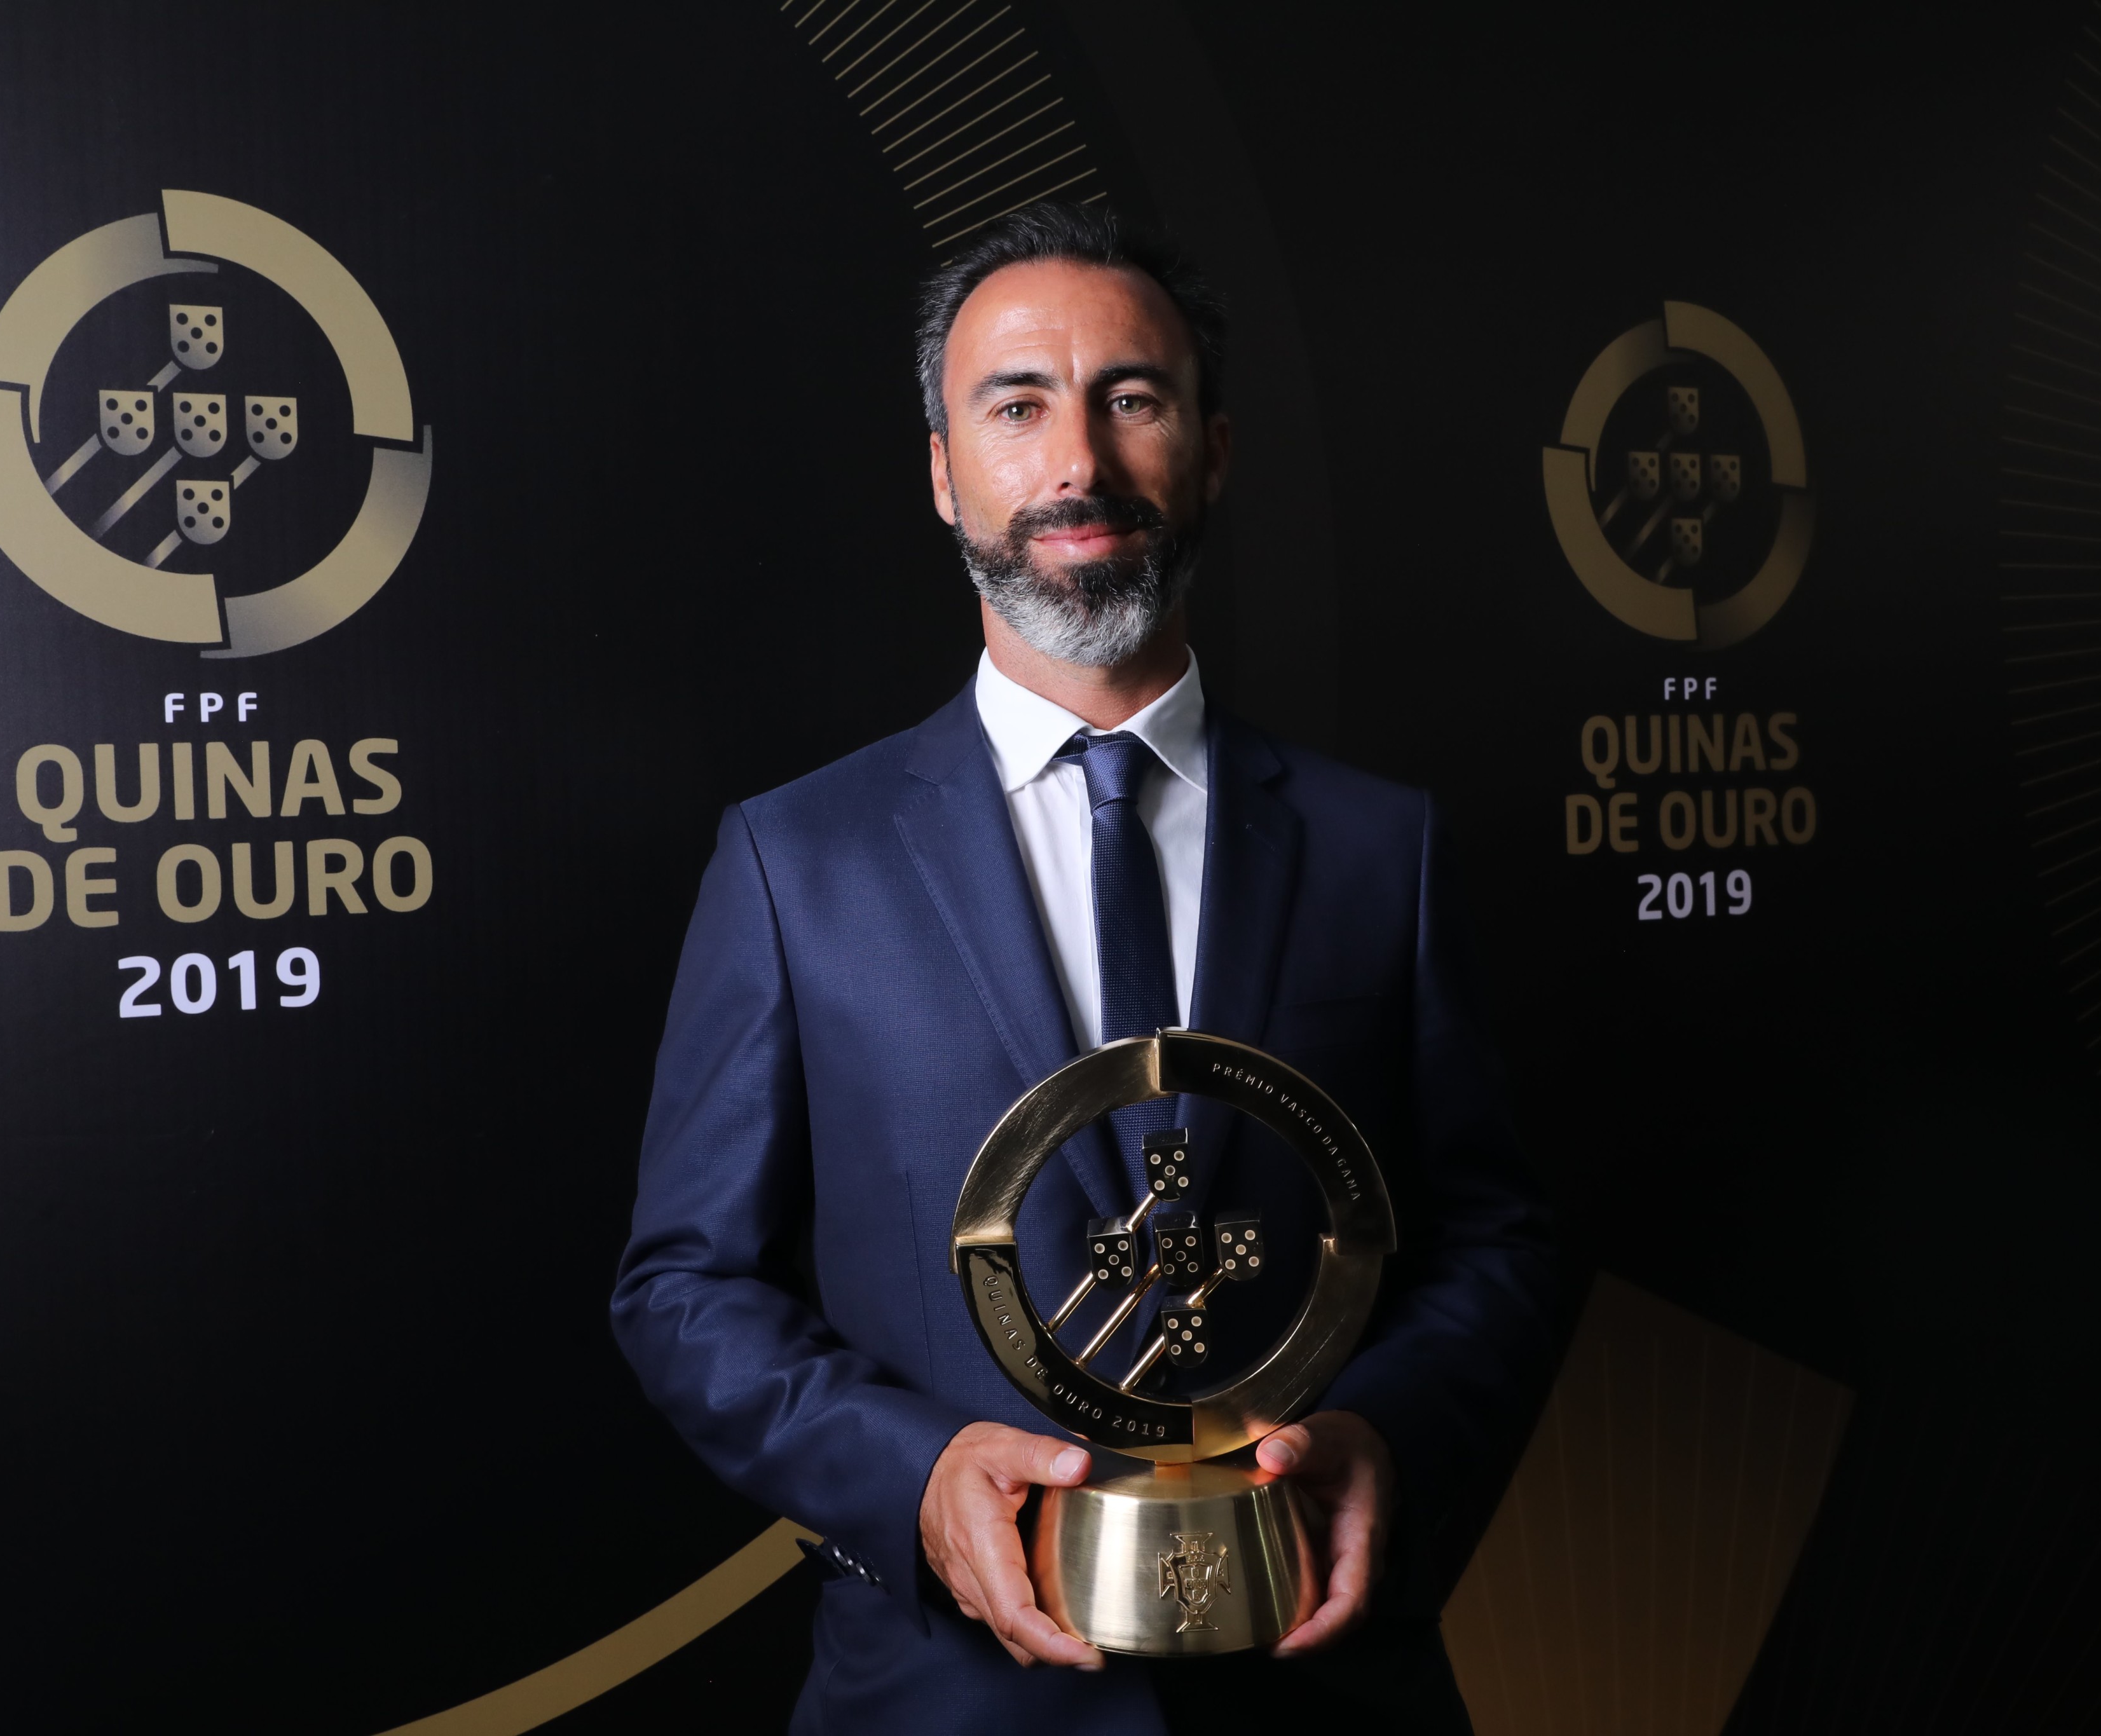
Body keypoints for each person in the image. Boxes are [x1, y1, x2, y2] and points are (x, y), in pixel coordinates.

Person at [610, 203, 1563, 1733]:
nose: (1078, 462)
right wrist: (916, 1477)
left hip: (1321, 1697)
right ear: (943, 470)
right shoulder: (796, 863)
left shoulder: (1381, 849)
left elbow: (1496, 1241)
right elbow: (684, 1286)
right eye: (1016, 405)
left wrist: (1387, 1434)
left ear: (1212, 449)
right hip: (942, 1703)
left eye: (1130, 397)